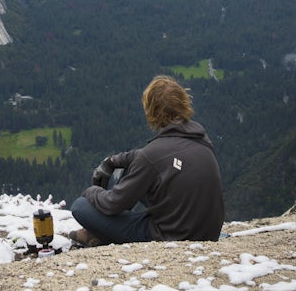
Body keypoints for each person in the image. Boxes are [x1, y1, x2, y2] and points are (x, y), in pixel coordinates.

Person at [69, 75, 225, 247]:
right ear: (184, 102)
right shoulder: (202, 140)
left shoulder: (151, 155)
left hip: (170, 237)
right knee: (138, 171)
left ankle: (99, 233)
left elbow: (111, 204)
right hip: (208, 233)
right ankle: (100, 233)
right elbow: (153, 158)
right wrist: (113, 161)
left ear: (150, 109)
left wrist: (92, 191)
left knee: (80, 206)